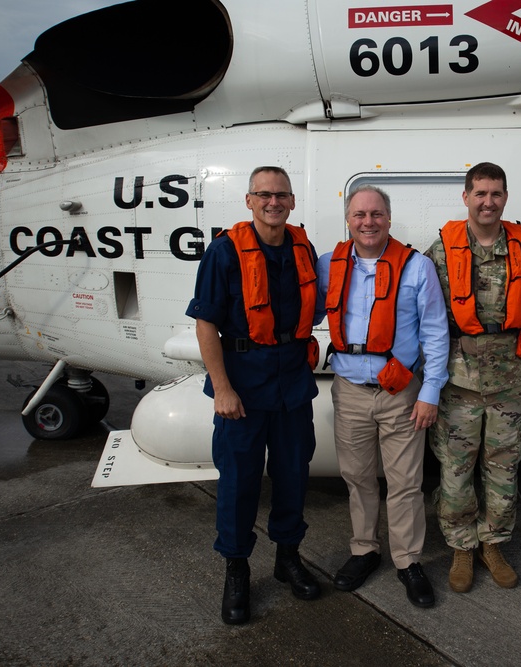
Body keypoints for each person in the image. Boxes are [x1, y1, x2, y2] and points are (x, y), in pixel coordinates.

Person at [186, 166, 324, 625]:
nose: (273, 202)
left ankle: (288, 558)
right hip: (241, 388)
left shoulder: (302, 247)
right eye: (264, 195)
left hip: (291, 384)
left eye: (281, 195)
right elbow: (206, 322)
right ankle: (236, 568)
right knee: (238, 482)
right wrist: (221, 388)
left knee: (292, 475)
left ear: (291, 201)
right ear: (249, 201)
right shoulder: (224, 252)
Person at [317, 185, 449, 608]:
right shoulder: (329, 266)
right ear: (348, 220)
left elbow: (435, 331)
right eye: (359, 215)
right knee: (357, 478)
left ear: (389, 219)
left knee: (405, 482)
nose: (368, 222)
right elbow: (303, 311)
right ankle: (364, 550)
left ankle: (408, 561)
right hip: (350, 390)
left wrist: (430, 392)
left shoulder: (416, 267)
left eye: (376, 214)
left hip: (401, 392)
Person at [424, 162, 521, 593]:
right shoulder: (441, 250)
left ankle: (492, 543)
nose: (488, 201)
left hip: (510, 379)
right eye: (480, 193)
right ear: (466, 197)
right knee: (456, 468)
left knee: (504, 468)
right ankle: (461, 545)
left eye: (496, 194)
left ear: (505, 198)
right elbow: (427, 320)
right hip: (457, 381)